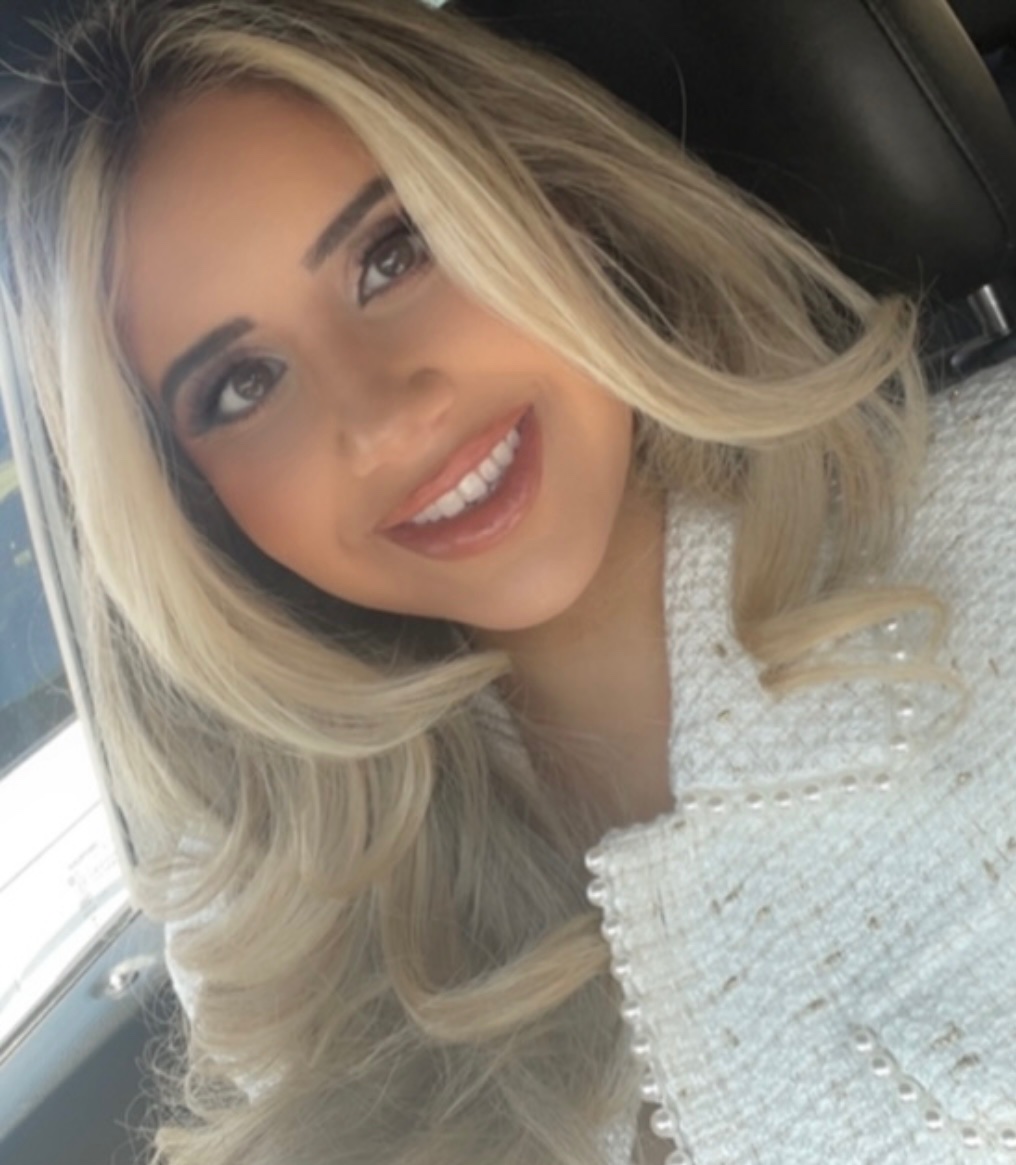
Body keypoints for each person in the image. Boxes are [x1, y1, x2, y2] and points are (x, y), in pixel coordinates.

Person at [1, 0, 1010, 1162]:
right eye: (241, 386)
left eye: (392, 256)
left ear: (550, 200)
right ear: (196, 509)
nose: (385, 420)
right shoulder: (276, 926)